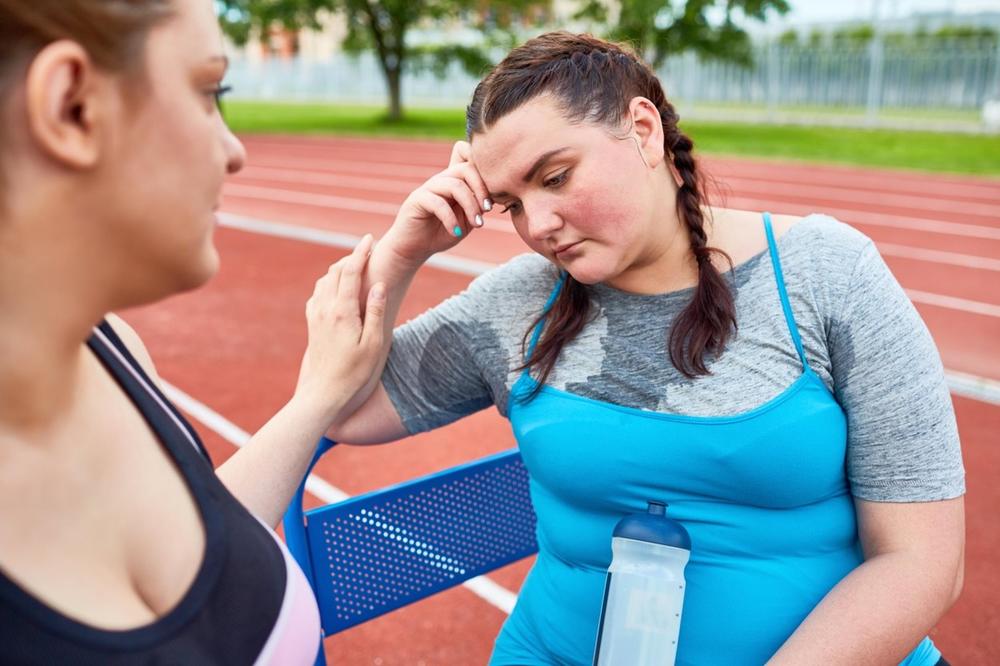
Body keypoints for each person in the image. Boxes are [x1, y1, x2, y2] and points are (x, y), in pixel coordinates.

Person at [328, 32, 966, 665]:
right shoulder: (520, 304)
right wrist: (401, 253)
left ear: (643, 129)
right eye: (510, 204)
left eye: (555, 177)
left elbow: (922, 560)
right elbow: (340, 406)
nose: (538, 226)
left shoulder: (827, 274)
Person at [0, 1, 387, 663]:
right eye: (211, 92)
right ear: (70, 107)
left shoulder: (112, 350)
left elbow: (208, 536)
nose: (234, 152)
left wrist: (318, 397)